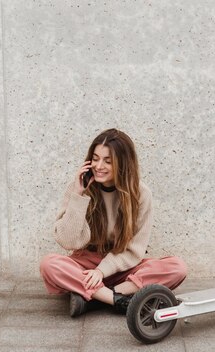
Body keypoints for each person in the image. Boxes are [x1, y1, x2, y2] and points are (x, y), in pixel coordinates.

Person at [40, 128, 187, 317]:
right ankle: (117, 300)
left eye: (107, 161)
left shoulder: (141, 194)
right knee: (49, 264)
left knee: (177, 267)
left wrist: (102, 272)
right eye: (95, 158)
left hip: (123, 265)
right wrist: (78, 195)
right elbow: (67, 240)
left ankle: (94, 298)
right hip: (86, 264)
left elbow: (134, 250)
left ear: (123, 163)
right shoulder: (79, 187)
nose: (98, 166)